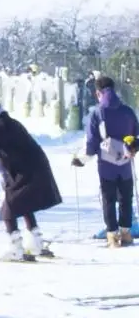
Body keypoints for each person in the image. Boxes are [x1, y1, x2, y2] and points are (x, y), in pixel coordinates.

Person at [0, 91, 63, 260]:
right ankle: (36, 242)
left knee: (9, 208)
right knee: (23, 204)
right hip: (30, 168)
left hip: (27, 170)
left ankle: (15, 247)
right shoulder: (5, 123)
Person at [72, 76, 139, 248]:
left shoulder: (97, 113)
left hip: (106, 164)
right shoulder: (127, 111)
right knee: (126, 198)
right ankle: (126, 232)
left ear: (98, 92)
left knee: (109, 199)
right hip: (125, 162)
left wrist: (81, 159)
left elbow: (92, 142)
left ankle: (112, 234)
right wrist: (131, 148)